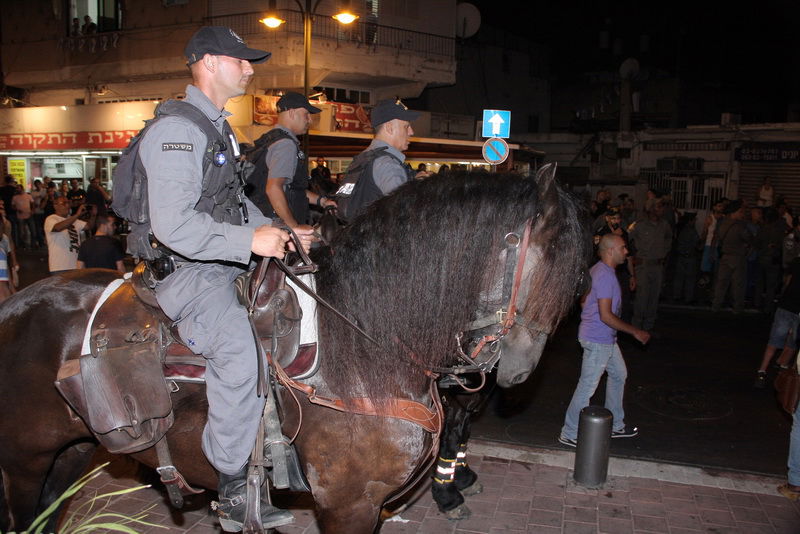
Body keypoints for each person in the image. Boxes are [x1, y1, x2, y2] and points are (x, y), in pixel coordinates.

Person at [137, 26, 313, 531]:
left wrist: (280, 230)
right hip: (188, 273)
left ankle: (276, 446)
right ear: (210, 63)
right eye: (241, 60)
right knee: (239, 353)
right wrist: (248, 243)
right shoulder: (178, 131)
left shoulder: (218, 128)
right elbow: (173, 225)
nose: (250, 68)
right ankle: (233, 482)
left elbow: (232, 203)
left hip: (218, 260)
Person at [558, 234, 650, 447]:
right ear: (611, 251)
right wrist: (635, 332)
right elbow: (606, 316)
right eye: (623, 248)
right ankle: (569, 432)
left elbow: (583, 302)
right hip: (598, 339)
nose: (626, 252)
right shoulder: (605, 276)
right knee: (587, 385)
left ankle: (616, 425)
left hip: (602, 337)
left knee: (619, 374)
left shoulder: (597, 271)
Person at [247, 92, 335, 229]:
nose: (309, 120)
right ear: (292, 113)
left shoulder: (269, 139)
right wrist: (294, 228)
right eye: (306, 114)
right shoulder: (285, 145)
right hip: (278, 228)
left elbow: (291, 188)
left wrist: (321, 201)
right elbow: (274, 188)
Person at [335, 99, 423, 220]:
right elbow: (402, 214)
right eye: (406, 126)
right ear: (389, 128)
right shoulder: (388, 165)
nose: (411, 132)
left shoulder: (364, 157)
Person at [753, 254, 800, 388]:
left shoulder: (796, 261)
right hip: (798, 311)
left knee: (774, 341)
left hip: (786, 304)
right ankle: (781, 374)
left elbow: (787, 281)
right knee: (792, 342)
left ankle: (762, 372)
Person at [629, 199, 672, 331]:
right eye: (659, 207)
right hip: (643, 266)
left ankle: (648, 328)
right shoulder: (639, 225)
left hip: (657, 266)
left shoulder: (664, 225)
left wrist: (663, 252)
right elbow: (629, 240)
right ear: (651, 209)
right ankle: (636, 328)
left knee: (654, 298)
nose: (662, 210)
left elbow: (668, 238)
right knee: (642, 298)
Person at [712, 200, 754, 313]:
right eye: (740, 212)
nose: (742, 214)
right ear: (734, 212)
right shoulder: (740, 226)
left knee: (721, 283)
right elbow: (750, 239)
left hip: (724, 257)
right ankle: (737, 308)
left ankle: (716, 305)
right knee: (738, 285)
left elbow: (717, 237)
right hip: (738, 258)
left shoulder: (722, 223)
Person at [44, 197, 88, 273]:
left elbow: (89, 226)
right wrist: (77, 215)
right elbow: (57, 228)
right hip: (59, 266)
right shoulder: (51, 219)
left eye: (68, 203)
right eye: (64, 203)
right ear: (55, 206)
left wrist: (93, 214)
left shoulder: (72, 219)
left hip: (75, 265)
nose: (67, 205)